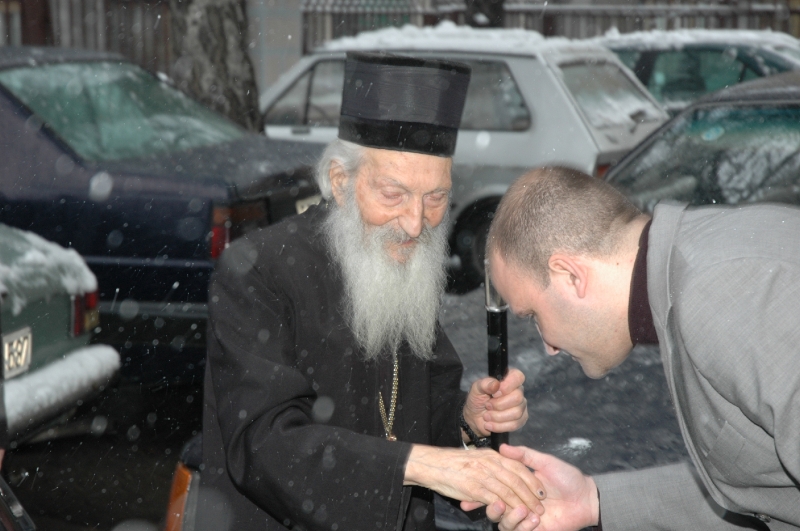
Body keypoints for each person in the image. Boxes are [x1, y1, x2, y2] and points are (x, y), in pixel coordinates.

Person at [197, 52, 546, 531]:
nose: (416, 223)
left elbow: (412, 405)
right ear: (341, 182)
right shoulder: (259, 271)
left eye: (436, 198)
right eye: (393, 194)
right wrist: (416, 464)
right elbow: (265, 444)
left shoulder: (400, 260)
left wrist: (466, 420)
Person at [482, 166, 800, 531]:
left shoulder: (723, 293)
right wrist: (592, 500)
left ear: (571, 276)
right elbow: (769, 492)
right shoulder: (694, 278)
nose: (549, 346)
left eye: (533, 315)